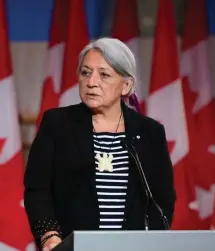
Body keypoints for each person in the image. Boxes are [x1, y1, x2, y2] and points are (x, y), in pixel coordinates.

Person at [24, 37, 176, 251]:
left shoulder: (150, 133)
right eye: (86, 72)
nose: (91, 82)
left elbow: (162, 199)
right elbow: (37, 189)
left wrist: (149, 242)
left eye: (104, 75)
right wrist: (49, 236)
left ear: (126, 85)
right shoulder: (57, 125)